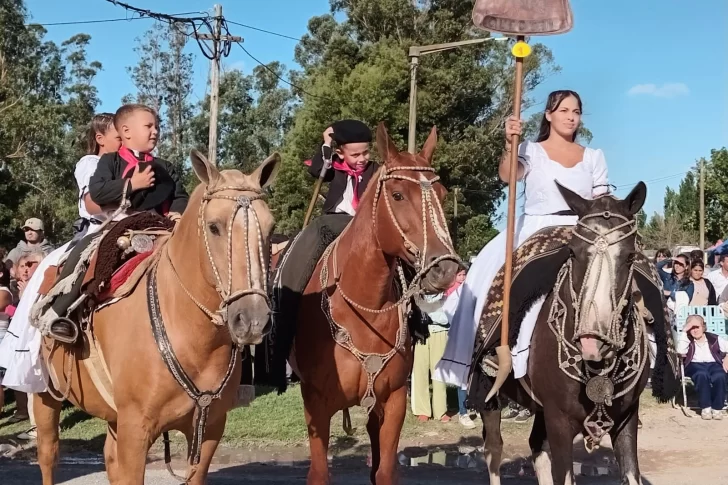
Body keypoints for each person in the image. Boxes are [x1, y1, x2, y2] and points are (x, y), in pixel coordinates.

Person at [434, 90, 609, 388]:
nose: (570, 116)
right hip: (536, 229)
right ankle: (496, 349)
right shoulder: (530, 149)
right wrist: (509, 143)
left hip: (581, 231)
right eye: (564, 110)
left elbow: (601, 202)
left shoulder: (593, 157)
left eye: (576, 112)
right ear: (549, 114)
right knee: (503, 281)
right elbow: (508, 175)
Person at [45, 104, 189, 342]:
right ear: (127, 131)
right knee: (88, 254)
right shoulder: (110, 162)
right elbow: (98, 192)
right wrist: (132, 184)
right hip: (120, 225)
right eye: (149, 126)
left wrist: (176, 212)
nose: (155, 131)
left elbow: (181, 195)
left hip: (160, 227)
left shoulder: (165, 166)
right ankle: (62, 312)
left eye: (157, 126)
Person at [0, 113, 121, 395]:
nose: (123, 138)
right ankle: (56, 315)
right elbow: (93, 204)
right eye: (118, 134)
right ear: (101, 138)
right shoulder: (89, 163)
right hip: (98, 229)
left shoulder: (129, 163)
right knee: (72, 265)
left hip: (132, 226)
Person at [411, 292, 452, 424]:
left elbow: (447, 318)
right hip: (421, 335)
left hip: (439, 333)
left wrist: (429, 314)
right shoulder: (417, 295)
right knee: (419, 371)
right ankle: (423, 410)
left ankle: (440, 411)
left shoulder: (445, 296)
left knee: (439, 373)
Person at [677, 315, 728, 420]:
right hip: (694, 365)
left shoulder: (714, 338)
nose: (695, 330)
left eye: (697, 327)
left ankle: (717, 407)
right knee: (701, 375)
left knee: (720, 375)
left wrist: (727, 358)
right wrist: (684, 332)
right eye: (691, 328)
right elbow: (680, 351)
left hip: (714, 364)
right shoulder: (686, 339)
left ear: (703, 327)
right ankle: (706, 407)